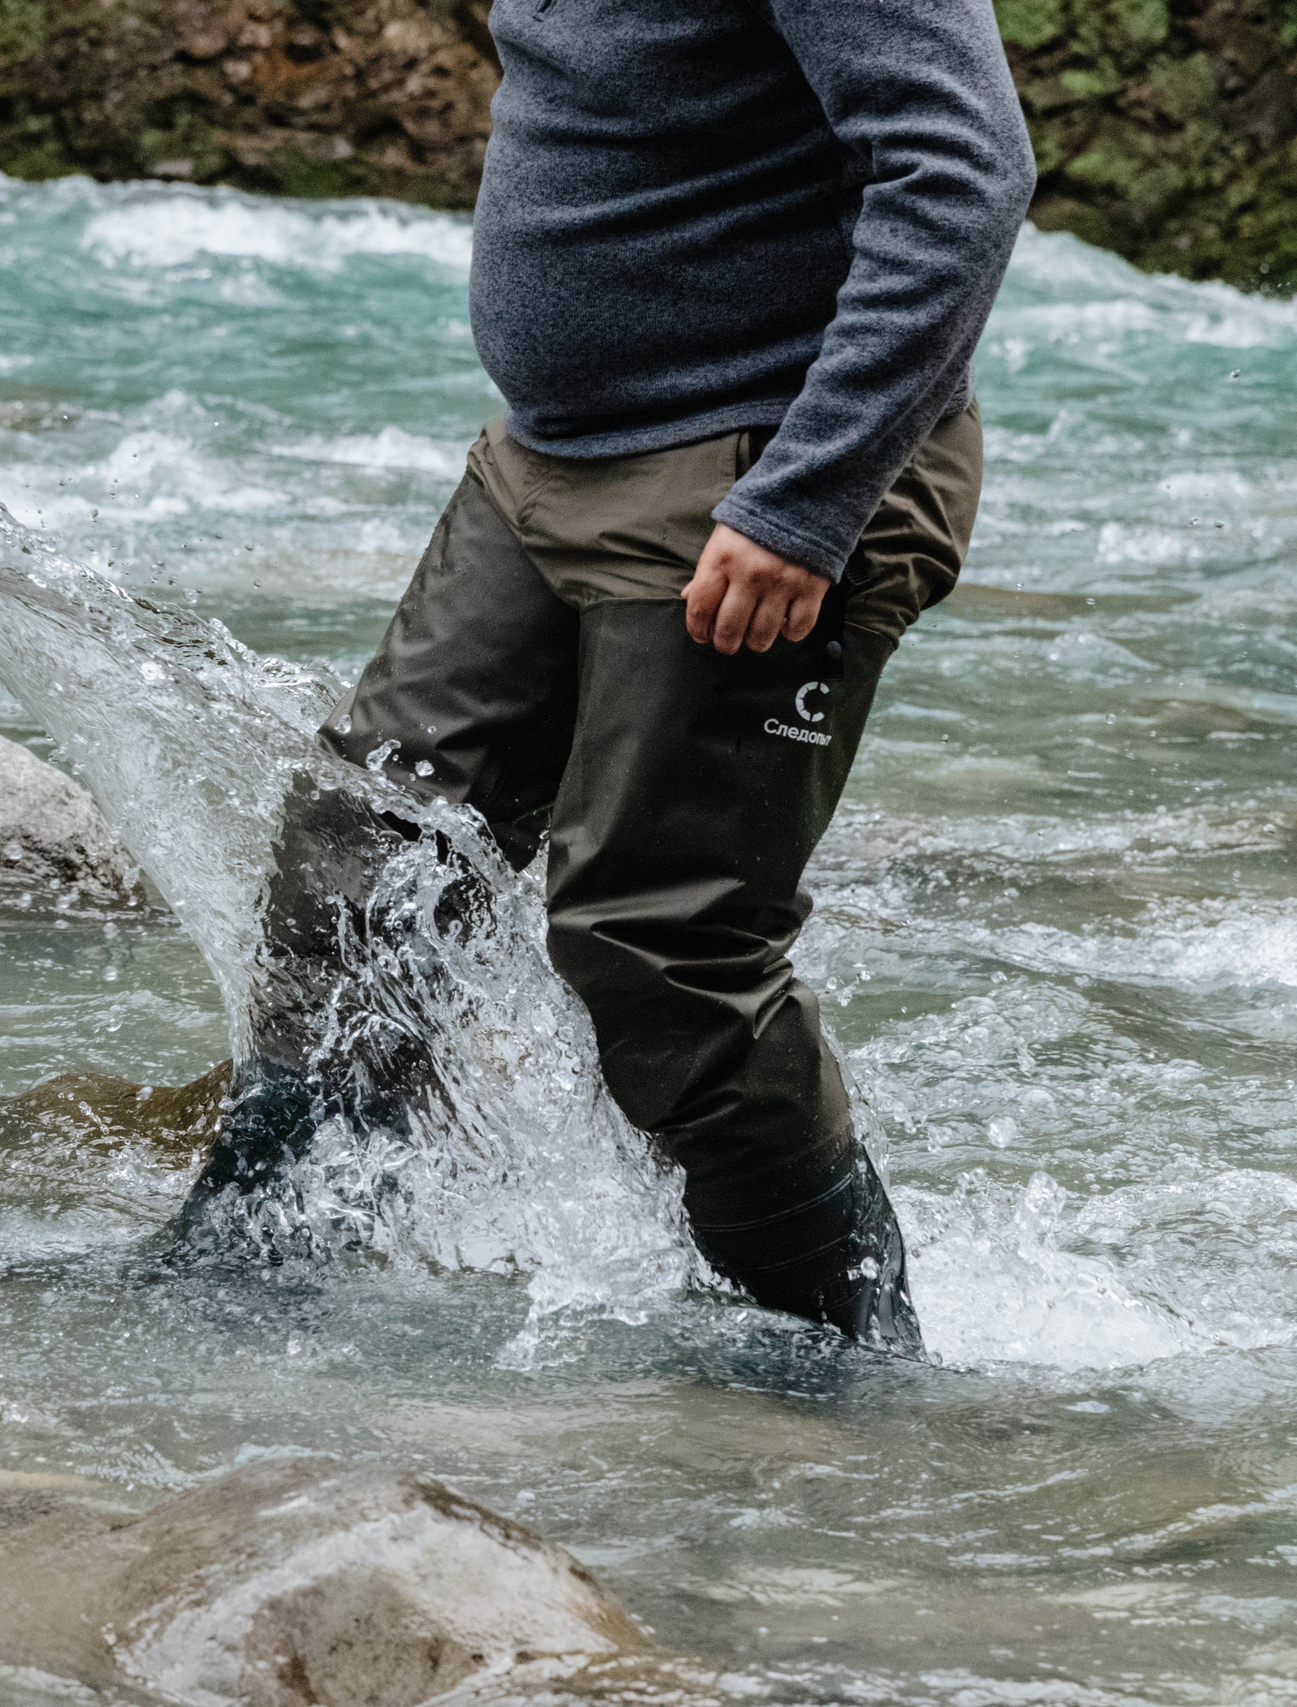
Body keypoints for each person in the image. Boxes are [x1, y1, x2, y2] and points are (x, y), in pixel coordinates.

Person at [184, 0, 1037, 1354]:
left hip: (752, 466)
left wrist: (808, 498)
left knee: (662, 951)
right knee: (366, 851)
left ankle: (847, 1373)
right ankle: (241, 1272)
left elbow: (965, 165)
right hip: (550, 455)